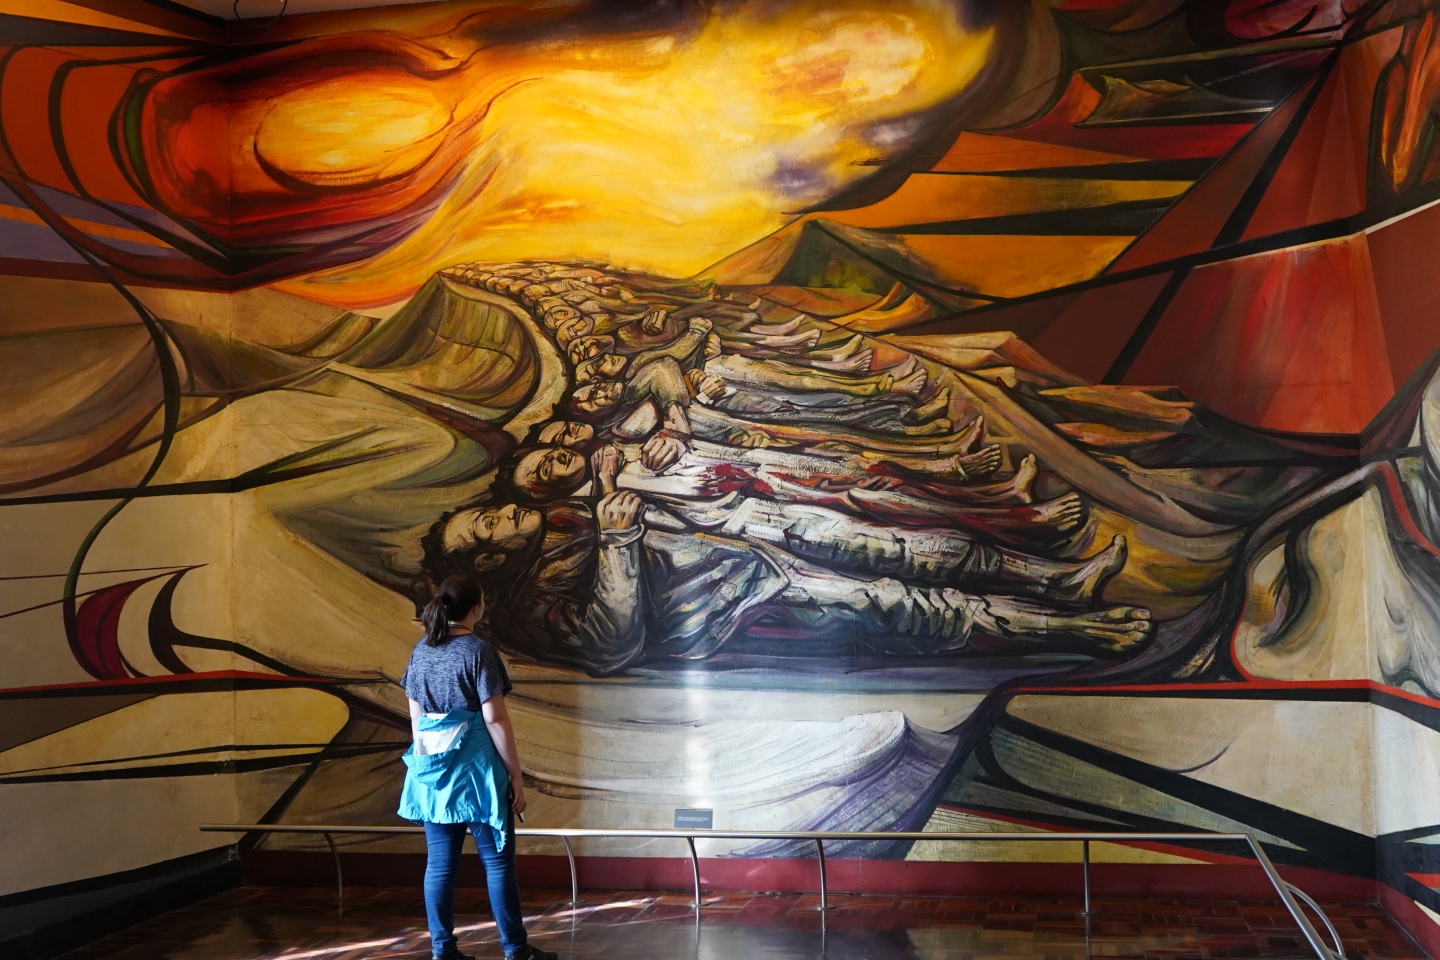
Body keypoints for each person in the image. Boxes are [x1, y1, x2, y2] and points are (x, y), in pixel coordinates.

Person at [399, 575, 557, 960]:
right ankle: (516, 951)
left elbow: (417, 721)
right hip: (477, 773)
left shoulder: (421, 650)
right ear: (476, 607)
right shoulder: (477, 650)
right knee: (498, 862)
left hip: (433, 771)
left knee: (439, 864)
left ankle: (443, 950)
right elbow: (495, 719)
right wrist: (516, 775)